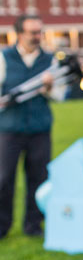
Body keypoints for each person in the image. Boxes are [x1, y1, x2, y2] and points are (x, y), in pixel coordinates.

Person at [0, 14, 63, 239]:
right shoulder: (4, 58)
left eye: (39, 32)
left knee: (38, 178)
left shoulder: (50, 60)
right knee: (4, 178)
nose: (38, 37)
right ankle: (2, 226)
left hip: (39, 128)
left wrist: (48, 88)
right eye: (33, 33)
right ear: (19, 34)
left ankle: (34, 225)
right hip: (9, 129)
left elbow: (60, 95)